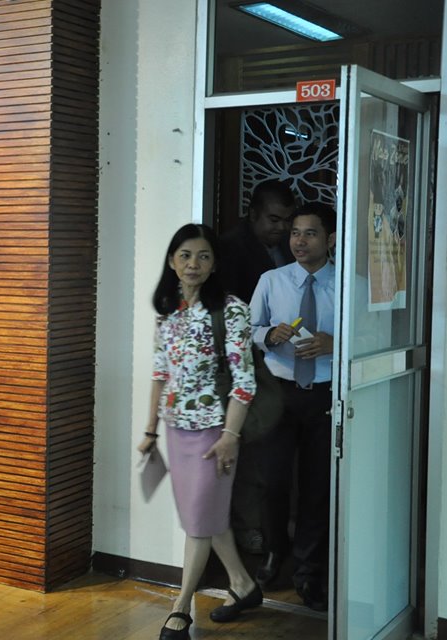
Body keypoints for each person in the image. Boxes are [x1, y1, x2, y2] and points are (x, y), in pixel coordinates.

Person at [138, 223, 263, 640]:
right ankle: (243, 584)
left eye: (204, 256)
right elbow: (160, 374)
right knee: (207, 516)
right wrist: (151, 431)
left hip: (215, 433)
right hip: (178, 431)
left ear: (214, 265)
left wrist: (230, 436)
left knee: (198, 523)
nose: (194, 264)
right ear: (172, 261)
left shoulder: (231, 310)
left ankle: (180, 608)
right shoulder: (168, 310)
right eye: (186, 255)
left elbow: (245, 382)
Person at [249, 202, 336, 611]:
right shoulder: (272, 280)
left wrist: (335, 343)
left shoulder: (349, 285)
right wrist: (269, 335)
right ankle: (274, 553)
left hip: (325, 394)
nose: (299, 241)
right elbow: (247, 329)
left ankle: (309, 572)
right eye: (295, 233)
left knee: (317, 486)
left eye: (310, 233)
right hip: (279, 393)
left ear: (330, 239)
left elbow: (373, 333)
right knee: (273, 480)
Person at [218, 179, 297, 555]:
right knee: (251, 453)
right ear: (253, 214)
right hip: (247, 363)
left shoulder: (287, 246)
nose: (282, 228)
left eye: (287, 220)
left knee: (273, 454)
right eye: (274, 219)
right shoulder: (231, 249)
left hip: (282, 365)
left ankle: (274, 525)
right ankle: (248, 527)